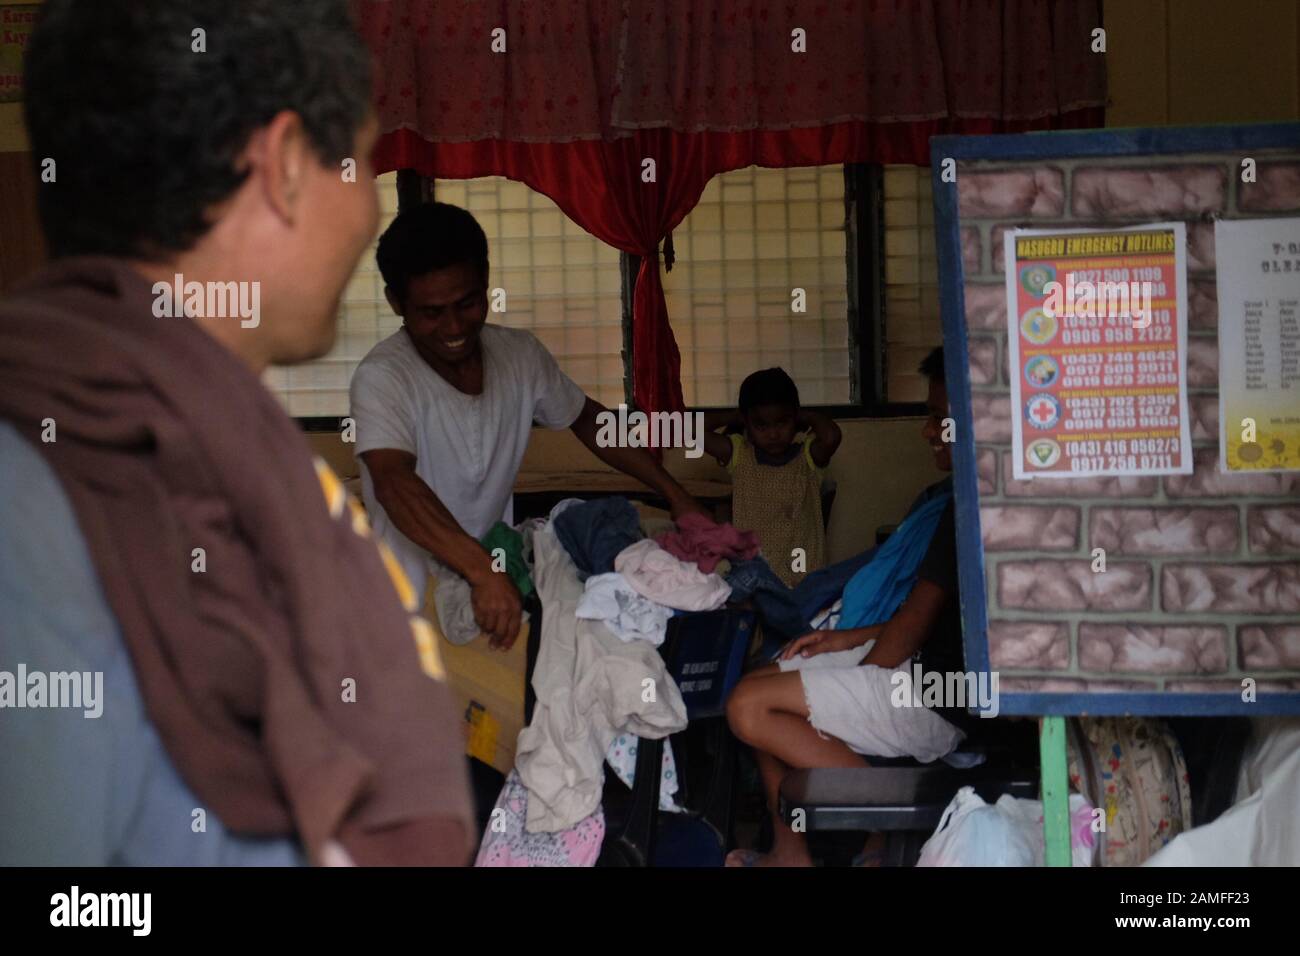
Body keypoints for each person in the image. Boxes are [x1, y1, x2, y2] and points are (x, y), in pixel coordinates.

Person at [0, 0, 472, 866]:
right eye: (360, 160)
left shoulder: (226, 448)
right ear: (282, 169)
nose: (368, 210)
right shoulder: (33, 499)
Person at [350, 203, 707, 651]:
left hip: (495, 590)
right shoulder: (383, 377)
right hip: (403, 600)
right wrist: (481, 570)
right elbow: (393, 482)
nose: (454, 326)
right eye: (432, 312)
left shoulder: (519, 356)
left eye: (467, 303)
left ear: (485, 282)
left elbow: (590, 420)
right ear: (396, 303)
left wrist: (678, 497)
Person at [723, 347, 974, 867]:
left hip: (939, 699)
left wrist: (851, 682)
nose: (928, 431)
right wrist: (842, 641)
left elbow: (912, 628)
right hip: (915, 668)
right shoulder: (956, 500)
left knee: (751, 707)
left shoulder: (967, 513)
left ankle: (883, 834)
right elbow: (926, 619)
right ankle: (792, 853)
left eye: (937, 418)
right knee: (766, 674)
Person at [702, 368, 841, 587]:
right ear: (747, 424)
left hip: (803, 575)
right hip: (755, 577)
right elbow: (692, 429)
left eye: (782, 422)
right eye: (761, 425)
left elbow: (832, 436)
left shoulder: (808, 457)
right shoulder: (739, 455)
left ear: (795, 419)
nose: (773, 434)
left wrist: (802, 415)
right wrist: (737, 416)